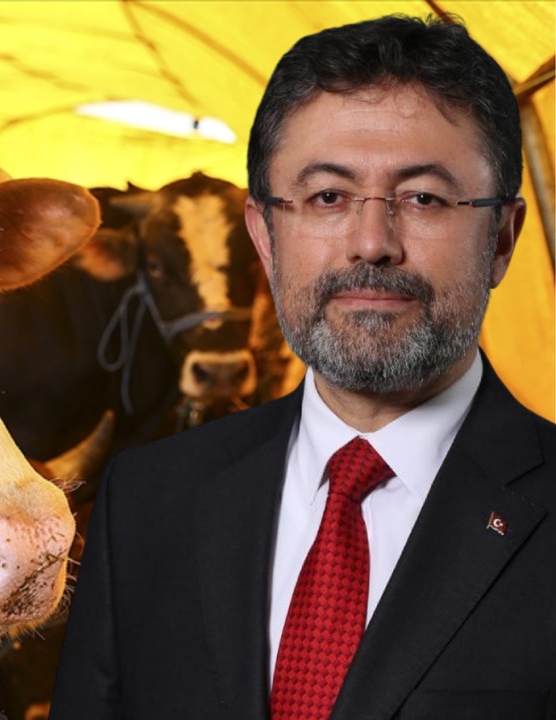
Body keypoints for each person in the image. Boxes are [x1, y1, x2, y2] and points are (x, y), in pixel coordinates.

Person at [49, 14, 555, 720]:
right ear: (265, 236)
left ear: (500, 239)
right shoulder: (143, 501)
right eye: (327, 197)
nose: (371, 243)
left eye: (424, 198)